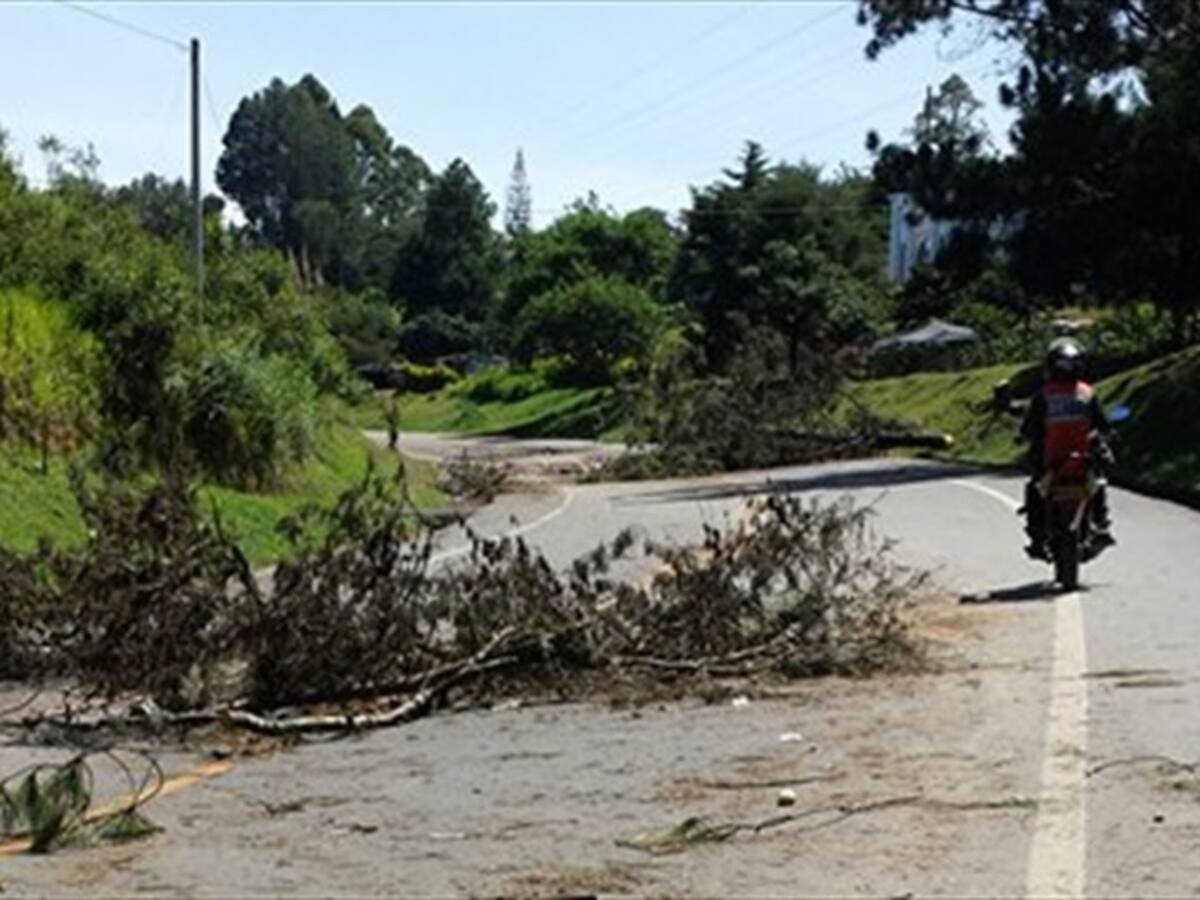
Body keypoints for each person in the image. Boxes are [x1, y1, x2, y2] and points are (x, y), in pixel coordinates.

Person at [1020, 337, 1115, 560]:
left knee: (1034, 489)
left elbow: (1029, 428)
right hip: (1081, 459)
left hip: (1052, 459)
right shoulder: (1087, 393)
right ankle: (1100, 525)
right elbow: (1102, 424)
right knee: (1099, 485)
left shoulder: (1043, 395)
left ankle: (1037, 536)